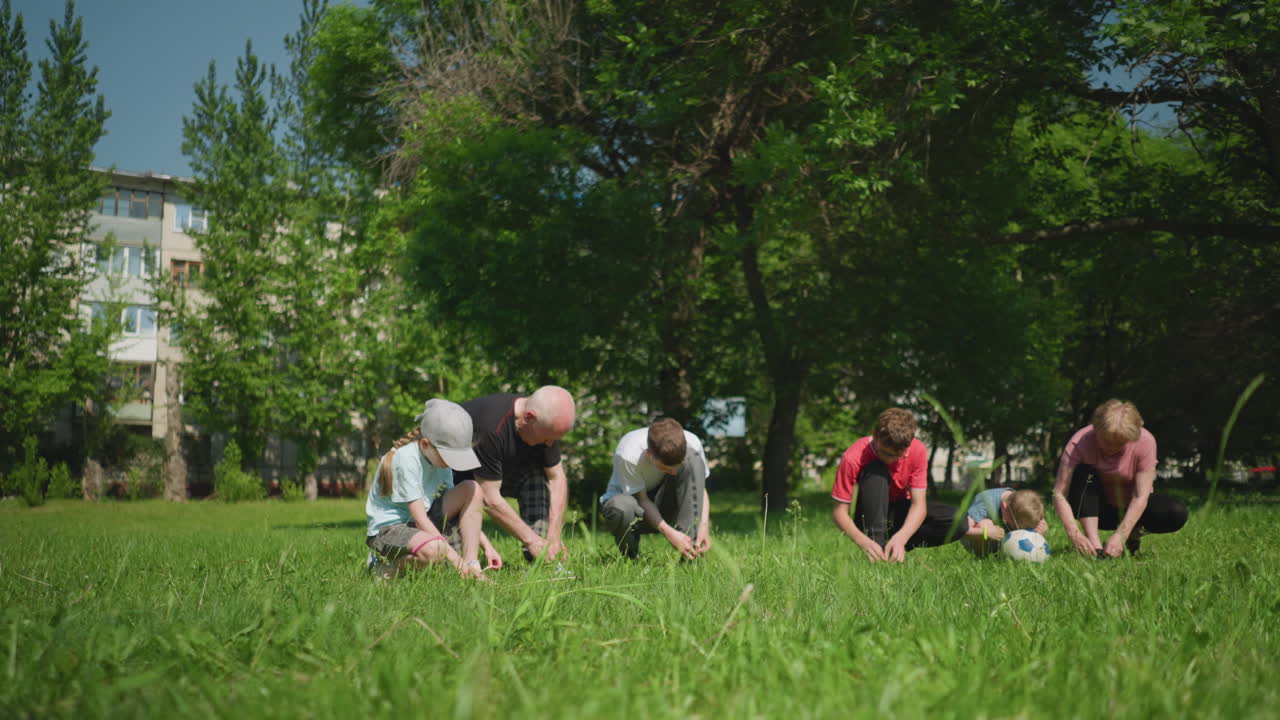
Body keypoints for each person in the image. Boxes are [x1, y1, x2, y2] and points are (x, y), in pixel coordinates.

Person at [365, 399, 491, 581]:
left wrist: (485, 545)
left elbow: (461, 511)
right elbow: (420, 521)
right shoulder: (406, 460)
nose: (451, 463)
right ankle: (387, 565)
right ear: (425, 444)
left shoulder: (439, 459)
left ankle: (474, 566)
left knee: (472, 489)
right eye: (449, 456)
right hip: (390, 530)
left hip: (422, 521)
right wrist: (457, 562)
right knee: (435, 550)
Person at [1053, 399, 1188, 558]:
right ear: (1096, 430)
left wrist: (1121, 535)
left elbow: (1140, 496)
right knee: (1083, 472)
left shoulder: (1146, 441)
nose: (1111, 448)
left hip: (1132, 509)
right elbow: (1059, 494)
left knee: (1176, 512)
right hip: (1097, 509)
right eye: (1106, 442)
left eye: (1120, 444)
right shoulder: (1080, 441)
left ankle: (1134, 535)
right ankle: (1095, 546)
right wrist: (1074, 534)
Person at [458, 386, 576, 562]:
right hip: (456, 485)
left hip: (503, 473)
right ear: (529, 418)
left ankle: (539, 555)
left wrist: (554, 537)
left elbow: (557, 477)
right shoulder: (491, 428)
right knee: (442, 559)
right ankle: (535, 544)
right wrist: (531, 540)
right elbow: (490, 499)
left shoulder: (546, 424)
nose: (550, 444)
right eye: (546, 438)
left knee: (535, 478)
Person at [831, 408, 965, 563]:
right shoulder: (853, 457)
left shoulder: (918, 450)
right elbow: (839, 512)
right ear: (875, 435)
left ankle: (894, 548)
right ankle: (878, 551)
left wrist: (902, 538)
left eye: (898, 455)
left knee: (959, 521)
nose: (891, 460)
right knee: (876, 471)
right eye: (886, 453)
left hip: (899, 514)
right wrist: (864, 542)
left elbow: (918, 505)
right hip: (868, 516)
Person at [599, 418, 712, 560]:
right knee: (621, 507)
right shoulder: (628, 452)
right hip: (635, 507)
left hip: (665, 501)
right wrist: (670, 534)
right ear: (648, 454)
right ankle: (630, 559)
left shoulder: (692, 443)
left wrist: (703, 525)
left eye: (677, 466)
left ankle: (690, 554)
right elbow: (642, 500)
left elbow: (700, 489)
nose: (674, 472)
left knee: (693, 460)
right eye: (665, 468)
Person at [961, 488, 1048, 556]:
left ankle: (1011, 554)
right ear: (1004, 507)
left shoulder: (1019, 500)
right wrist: (985, 532)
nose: (1017, 529)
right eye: (1013, 525)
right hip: (975, 538)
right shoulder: (985, 503)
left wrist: (1038, 533)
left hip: (1003, 540)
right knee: (985, 524)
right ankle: (985, 557)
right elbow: (962, 530)